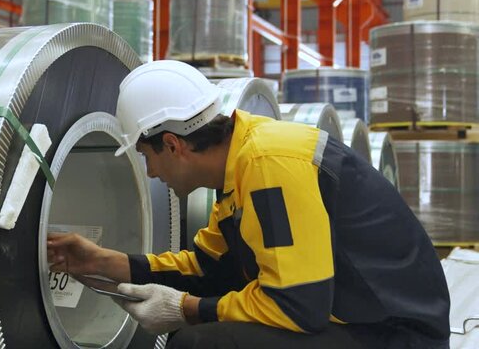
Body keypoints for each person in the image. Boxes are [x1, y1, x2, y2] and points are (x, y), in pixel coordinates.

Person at [47, 60, 450, 348]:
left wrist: (187, 309)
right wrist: (101, 262)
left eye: (146, 156)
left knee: (201, 342)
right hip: (355, 319)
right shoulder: (240, 163)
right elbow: (205, 267)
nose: (151, 173)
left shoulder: (269, 164)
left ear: (172, 144)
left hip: (396, 334)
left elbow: (297, 307)